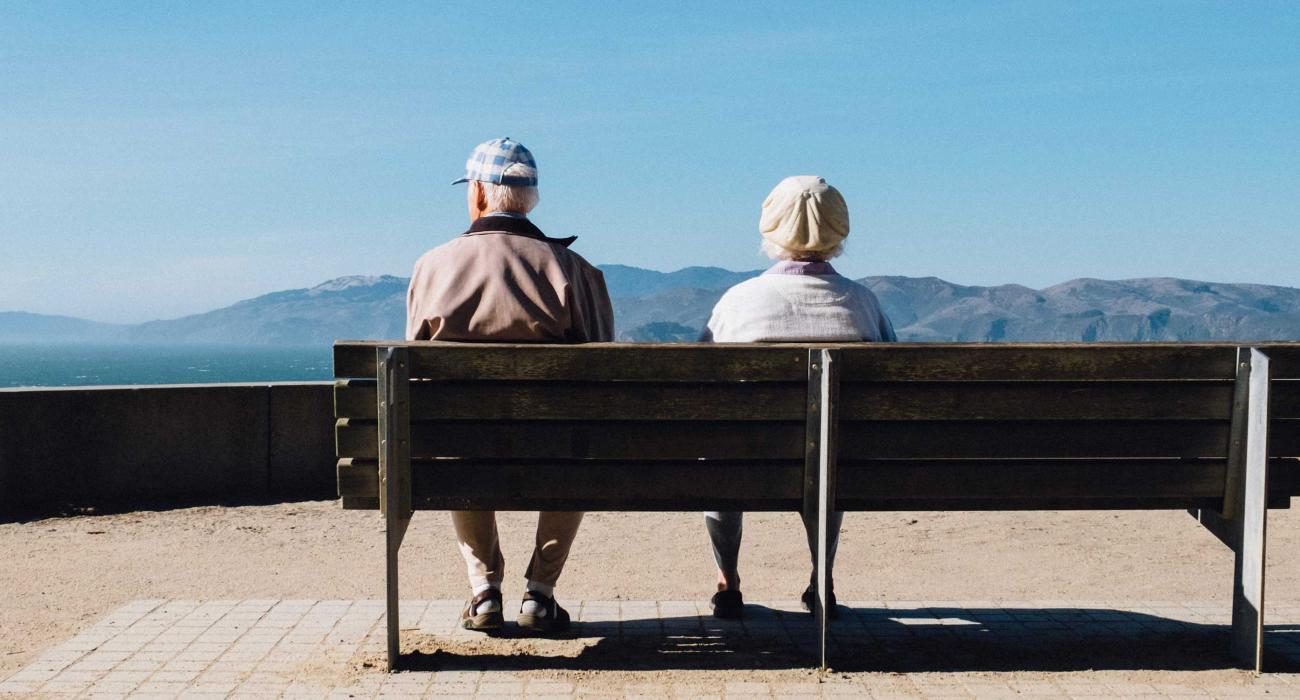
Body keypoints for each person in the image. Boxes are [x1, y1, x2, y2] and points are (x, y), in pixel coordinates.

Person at [406, 137, 614, 634]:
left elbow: (413, 375)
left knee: (453, 441)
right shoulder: (576, 272)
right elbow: (606, 372)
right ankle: (540, 594)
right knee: (577, 445)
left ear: (478, 193)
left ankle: (484, 592)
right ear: (530, 199)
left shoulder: (432, 266)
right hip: (556, 449)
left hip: (464, 449)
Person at [700, 175, 895, 619]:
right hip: (839, 464)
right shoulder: (863, 304)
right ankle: (820, 578)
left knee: (720, 457)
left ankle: (728, 582)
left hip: (747, 462)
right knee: (827, 454)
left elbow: (702, 386)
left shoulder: (738, 302)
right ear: (839, 231)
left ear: (770, 230)